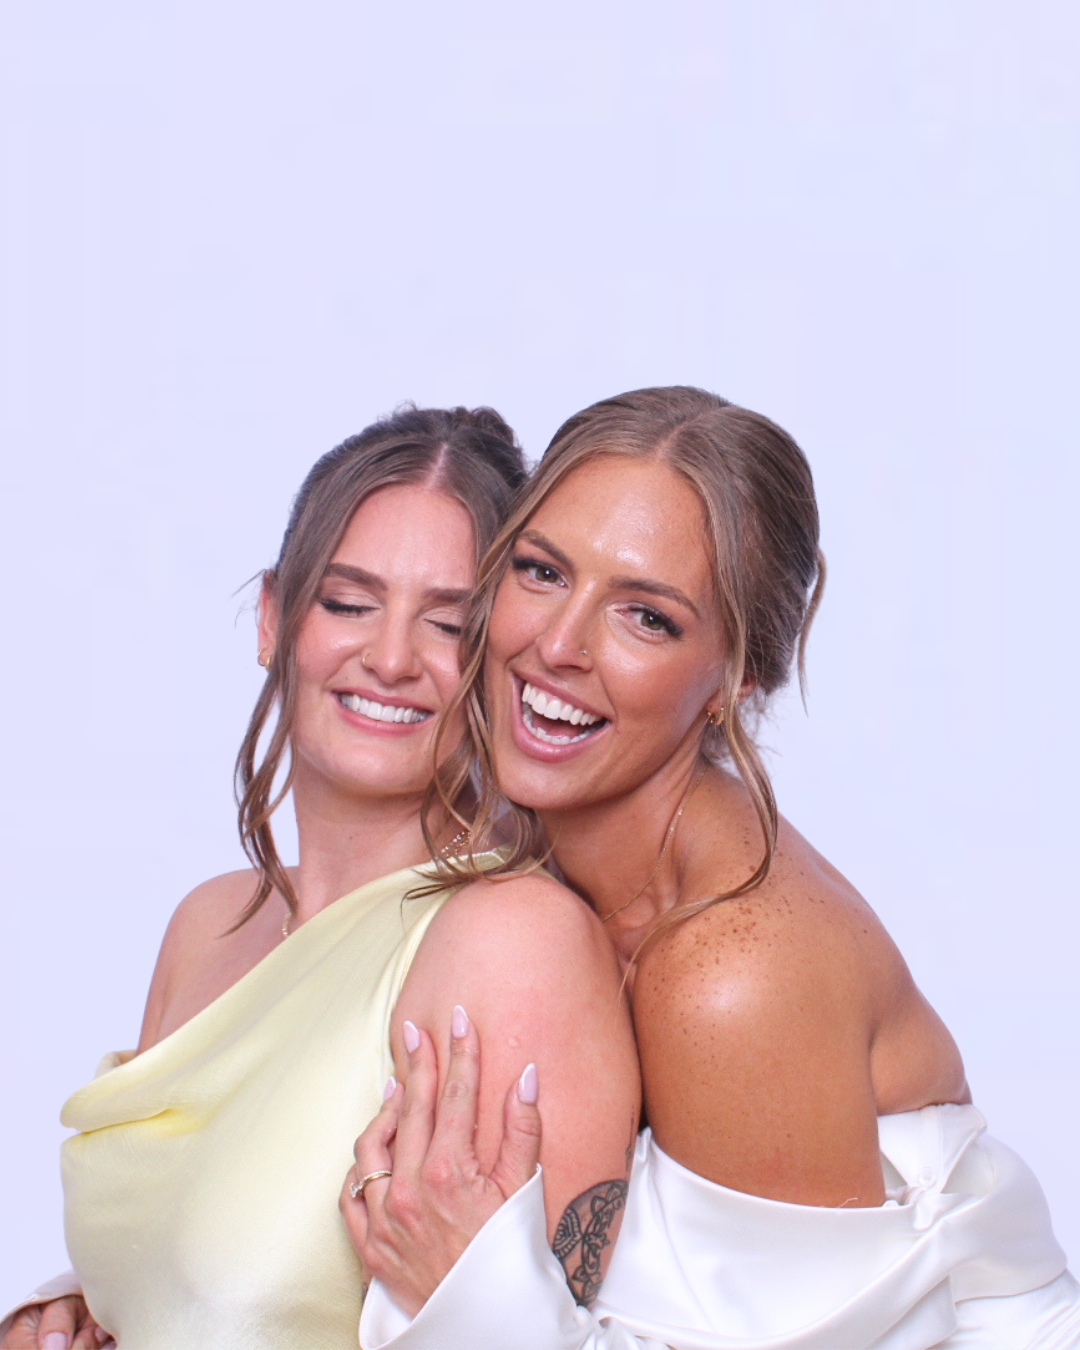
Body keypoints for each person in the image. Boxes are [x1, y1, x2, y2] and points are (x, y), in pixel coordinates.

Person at [350, 387, 1080, 1350]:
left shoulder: (731, 976)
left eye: (646, 618)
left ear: (737, 675)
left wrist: (479, 1301)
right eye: (540, 571)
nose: (558, 646)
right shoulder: (521, 866)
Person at [1, 406, 641, 1350]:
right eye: (348, 602)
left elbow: (537, 1327)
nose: (389, 658)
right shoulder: (210, 925)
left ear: (499, 660)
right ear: (273, 617)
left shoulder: (512, 941)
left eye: (450, 624)